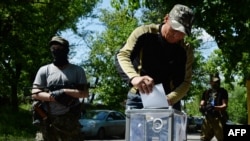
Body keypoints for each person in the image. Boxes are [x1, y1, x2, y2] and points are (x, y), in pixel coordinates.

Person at [115, 4, 195, 110]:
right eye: (175, 28)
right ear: (166, 18)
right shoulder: (143, 33)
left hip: (169, 102)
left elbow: (186, 81)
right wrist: (134, 78)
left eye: (182, 32)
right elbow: (122, 55)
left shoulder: (186, 50)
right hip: (138, 98)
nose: (177, 35)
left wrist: (170, 98)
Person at [31, 36, 89, 141]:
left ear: (66, 50)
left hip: (69, 120)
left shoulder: (77, 70)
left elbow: (84, 93)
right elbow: (35, 93)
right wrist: (53, 97)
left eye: (59, 48)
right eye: (53, 48)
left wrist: (64, 92)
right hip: (47, 119)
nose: (56, 51)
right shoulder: (44, 70)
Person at [199, 73, 229, 141]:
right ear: (210, 82)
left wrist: (214, 107)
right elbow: (202, 104)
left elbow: (224, 105)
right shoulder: (206, 92)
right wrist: (202, 108)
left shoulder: (223, 92)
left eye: (217, 81)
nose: (216, 83)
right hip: (208, 118)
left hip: (218, 118)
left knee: (222, 138)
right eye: (214, 82)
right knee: (203, 139)